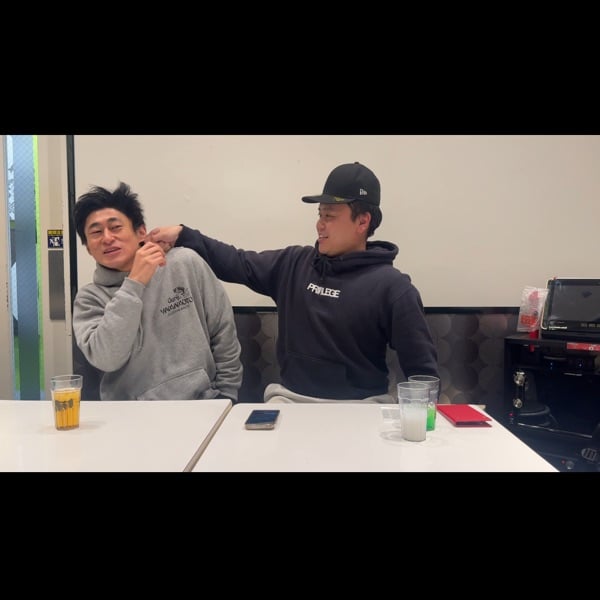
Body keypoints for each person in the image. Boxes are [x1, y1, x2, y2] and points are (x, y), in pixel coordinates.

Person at [147, 162, 438, 403]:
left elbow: (422, 371)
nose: (320, 224)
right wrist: (184, 235)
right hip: (291, 401)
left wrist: (423, 427)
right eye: (319, 214)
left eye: (330, 216)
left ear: (363, 222)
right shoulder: (294, 263)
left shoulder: (393, 288)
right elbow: (237, 261)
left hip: (362, 407)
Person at [72, 182, 243, 401]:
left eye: (115, 227)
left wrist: (227, 395)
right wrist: (134, 282)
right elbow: (106, 359)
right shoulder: (89, 299)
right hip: (130, 413)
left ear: (141, 232)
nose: (107, 238)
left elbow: (222, 330)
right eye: (96, 232)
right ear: (88, 247)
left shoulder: (184, 263)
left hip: (202, 403)